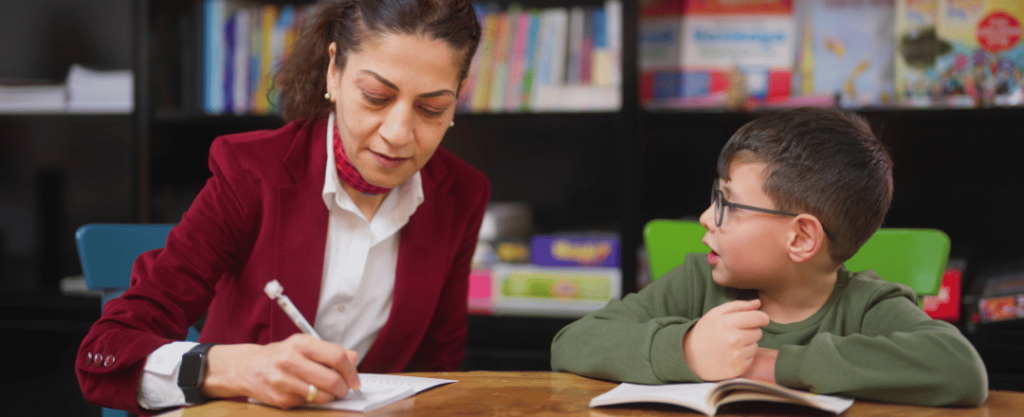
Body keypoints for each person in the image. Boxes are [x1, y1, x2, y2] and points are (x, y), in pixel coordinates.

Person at [77, 0, 488, 413]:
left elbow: (437, 371)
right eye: (376, 96)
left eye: (431, 108)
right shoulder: (252, 173)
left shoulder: (461, 195)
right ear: (334, 69)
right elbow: (104, 354)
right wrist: (232, 368)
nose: (399, 134)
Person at [550, 107, 988, 406]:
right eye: (713, 198)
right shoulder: (701, 282)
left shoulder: (868, 305)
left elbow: (961, 370)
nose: (706, 218)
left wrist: (770, 365)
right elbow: (572, 343)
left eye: (729, 205)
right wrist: (686, 349)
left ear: (800, 238)